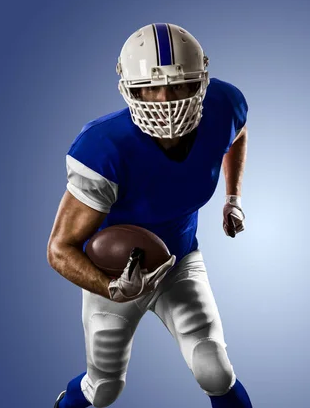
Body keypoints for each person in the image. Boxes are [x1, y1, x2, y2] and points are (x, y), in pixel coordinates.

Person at [46, 23, 252, 408]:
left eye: (180, 85)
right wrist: (109, 287)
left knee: (216, 370)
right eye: (151, 88)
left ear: (202, 82)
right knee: (104, 388)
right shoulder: (104, 148)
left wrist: (233, 196)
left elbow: (236, 134)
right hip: (116, 273)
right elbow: (59, 249)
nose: (165, 101)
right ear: (129, 89)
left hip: (179, 260)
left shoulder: (223, 105)